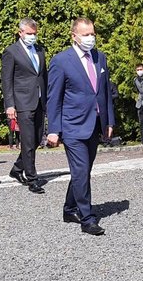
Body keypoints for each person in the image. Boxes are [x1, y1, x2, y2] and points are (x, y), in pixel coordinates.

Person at [45, 17, 115, 236]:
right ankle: (87, 218)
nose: (90, 38)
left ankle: (69, 209)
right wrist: (53, 129)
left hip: (95, 124)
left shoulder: (100, 58)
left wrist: (109, 121)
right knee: (81, 170)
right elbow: (53, 98)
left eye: (92, 33)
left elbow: (105, 93)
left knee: (82, 171)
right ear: (74, 36)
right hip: (72, 125)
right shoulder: (61, 61)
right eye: (86, 35)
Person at [1, 18, 48, 194]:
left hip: (39, 100)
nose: (32, 37)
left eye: (34, 34)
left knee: (36, 139)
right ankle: (32, 178)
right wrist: (10, 105)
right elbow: (6, 81)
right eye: (29, 34)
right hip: (22, 102)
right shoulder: (11, 52)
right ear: (20, 32)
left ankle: (16, 169)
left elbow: (43, 76)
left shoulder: (40, 50)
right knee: (27, 141)